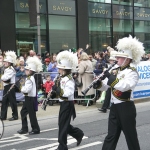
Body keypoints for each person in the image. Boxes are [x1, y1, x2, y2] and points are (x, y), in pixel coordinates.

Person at [93, 35, 145, 150]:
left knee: (130, 137)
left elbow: (124, 86)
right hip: (114, 107)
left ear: (128, 59)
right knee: (111, 136)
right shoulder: (115, 69)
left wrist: (110, 78)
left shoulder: (132, 72)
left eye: (120, 57)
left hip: (126, 108)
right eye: (118, 57)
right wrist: (98, 84)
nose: (117, 59)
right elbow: (106, 86)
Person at [50, 50, 84, 150]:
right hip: (63, 103)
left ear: (65, 69)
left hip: (67, 104)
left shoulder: (69, 79)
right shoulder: (61, 77)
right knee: (63, 124)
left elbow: (67, 93)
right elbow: (60, 91)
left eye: (60, 68)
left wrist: (57, 90)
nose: (58, 69)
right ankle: (78, 134)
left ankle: (62, 145)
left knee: (62, 124)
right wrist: (53, 93)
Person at [17, 56, 43, 135]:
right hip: (28, 98)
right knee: (23, 112)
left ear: (31, 71)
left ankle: (35, 129)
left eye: (27, 69)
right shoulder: (29, 77)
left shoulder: (30, 78)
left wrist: (20, 87)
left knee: (31, 114)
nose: (25, 70)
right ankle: (25, 128)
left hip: (30, 98)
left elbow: (27, 89)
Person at [0, 51, 18, 121]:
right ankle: (3, 116)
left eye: (6, 62)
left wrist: (2, 77)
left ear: (9, 63)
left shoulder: (10, 69)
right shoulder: (7, 69)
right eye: (4, 62)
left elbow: (4, 78)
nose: (4, 63)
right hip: (6, 86)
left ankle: (15, 115)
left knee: (12, 101)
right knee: (4, 101)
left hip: (10, 86)